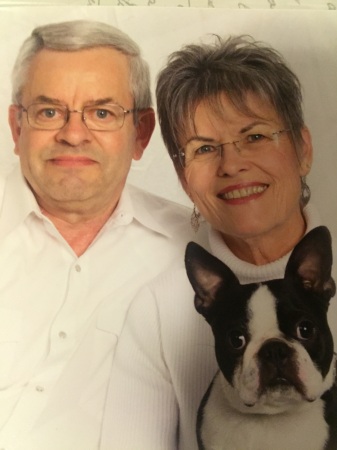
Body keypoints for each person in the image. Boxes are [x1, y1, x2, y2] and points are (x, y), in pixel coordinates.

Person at [100, 35, 337, 449]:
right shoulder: (158, 309)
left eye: (255, 137)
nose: (232, 164)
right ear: (183, 180)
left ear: (302, 149)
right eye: (205, 148)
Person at [0, 20, 199, 449]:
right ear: (17, 128)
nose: (73, 134)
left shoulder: (195, 251)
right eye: (49, 111)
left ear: (141, 134)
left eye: (102, 113)